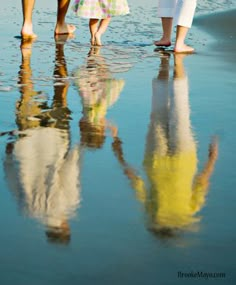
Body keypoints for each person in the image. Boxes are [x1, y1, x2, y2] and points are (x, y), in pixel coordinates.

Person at [112, 53, 218, 240]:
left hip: (177, 160)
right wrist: (120, 155)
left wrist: (212, 158)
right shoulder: (156, 215)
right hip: (159, 160)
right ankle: (167, 60)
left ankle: (172, 61)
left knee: (179, 110)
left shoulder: (186, 213)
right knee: (161, 111)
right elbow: (136, 182)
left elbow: (202, 183)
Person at [4, 36, 81, 244]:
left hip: (55, 137)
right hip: (26, 141)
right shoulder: (26, 208)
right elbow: (11, 177)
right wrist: (8, 153)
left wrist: (77, 149)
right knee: (26, 93)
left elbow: (70, 169)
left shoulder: (68, 204)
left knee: (60, 94)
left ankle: (54, 55)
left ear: (65, 227)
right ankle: (27, 58)